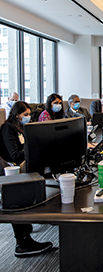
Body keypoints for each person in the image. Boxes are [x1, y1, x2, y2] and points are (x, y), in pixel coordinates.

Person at [0, 101, 53, 257]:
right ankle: (23, 242)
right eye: (25, 115)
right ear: (17, 115)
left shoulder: (21, 128)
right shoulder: (8, 128)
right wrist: (34, 146)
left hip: (18, 166)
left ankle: (41, 214)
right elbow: (15, 155)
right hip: (10, 169)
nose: (28, 117)